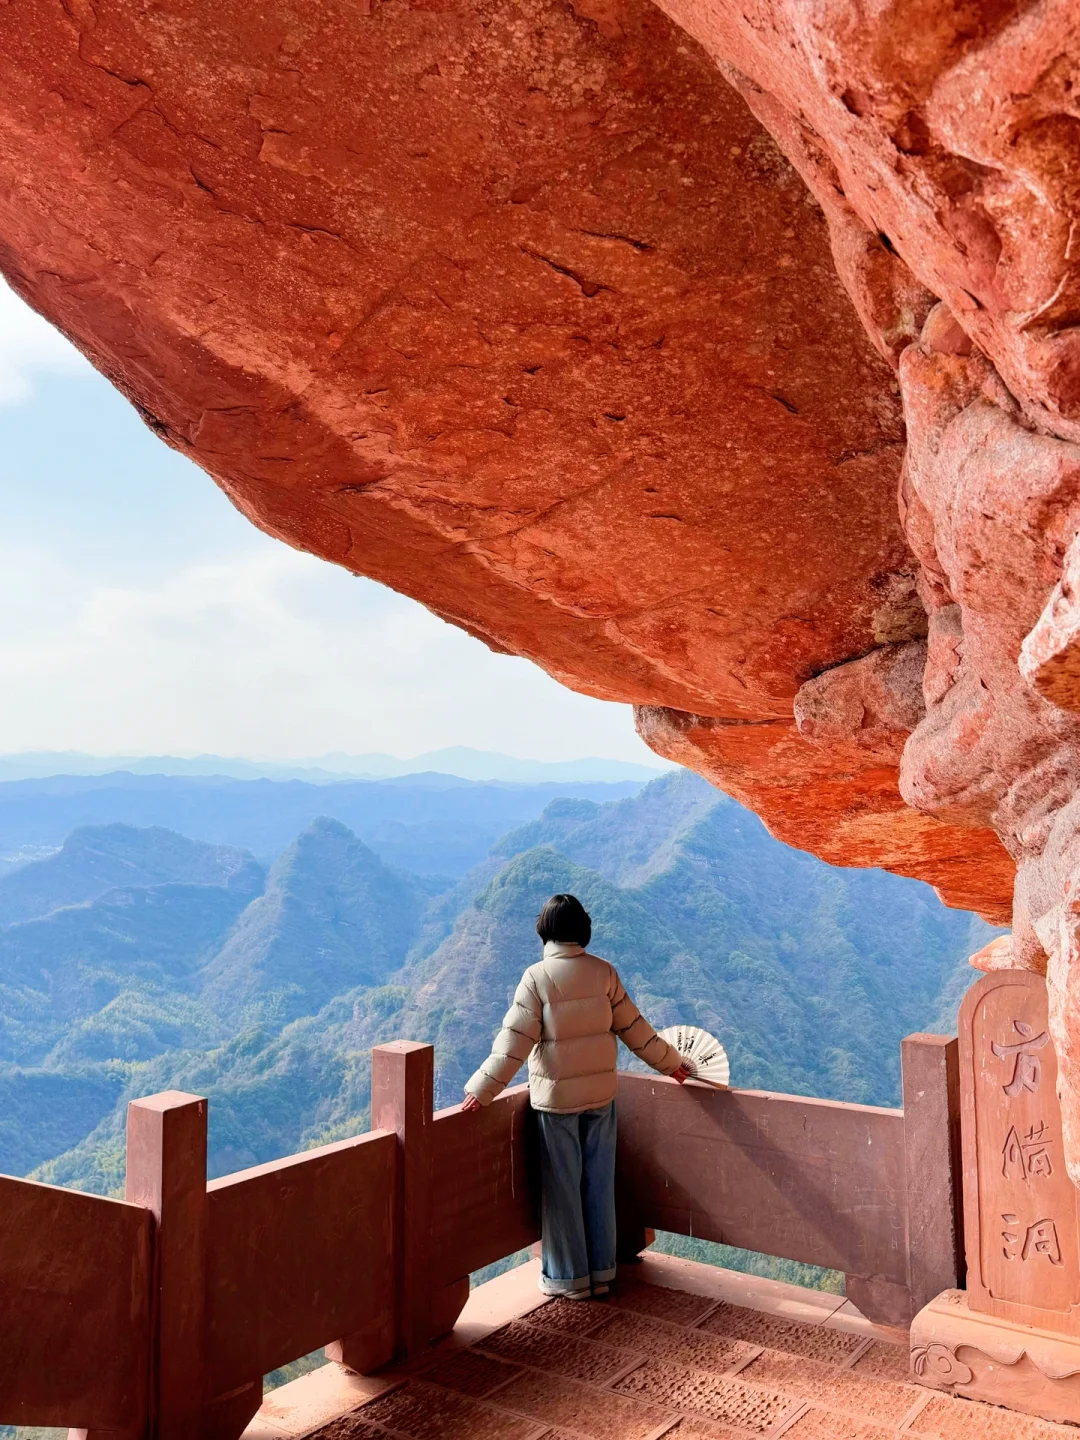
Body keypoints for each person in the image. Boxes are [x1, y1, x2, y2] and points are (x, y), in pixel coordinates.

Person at [461, 892, 690, 1299]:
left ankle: (569, 1279)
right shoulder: (604, 972)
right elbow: (637, 1030)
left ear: (545, 931)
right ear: (582, 929)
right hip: (601, 1097)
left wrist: (482, 1090)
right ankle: (603, 1272)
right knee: (599, 1182)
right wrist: (671, 1064)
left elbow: (512, 1043)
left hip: (558, 1102)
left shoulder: (536, 978)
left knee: (562, 1187)